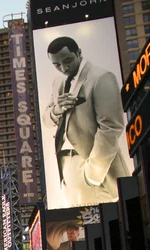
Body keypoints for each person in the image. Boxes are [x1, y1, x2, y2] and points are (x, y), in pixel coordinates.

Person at [43, 36, 130, 207]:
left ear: (79, 53)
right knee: (82, 229)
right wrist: (57, 109)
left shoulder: (101, 77)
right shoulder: (58, 82)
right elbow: (46, 119)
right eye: (57, 65)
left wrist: (93, 173)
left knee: (106, 227)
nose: (63, 68)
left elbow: (111, 127)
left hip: (98, 171)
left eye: (67, 60)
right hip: (66, 168)